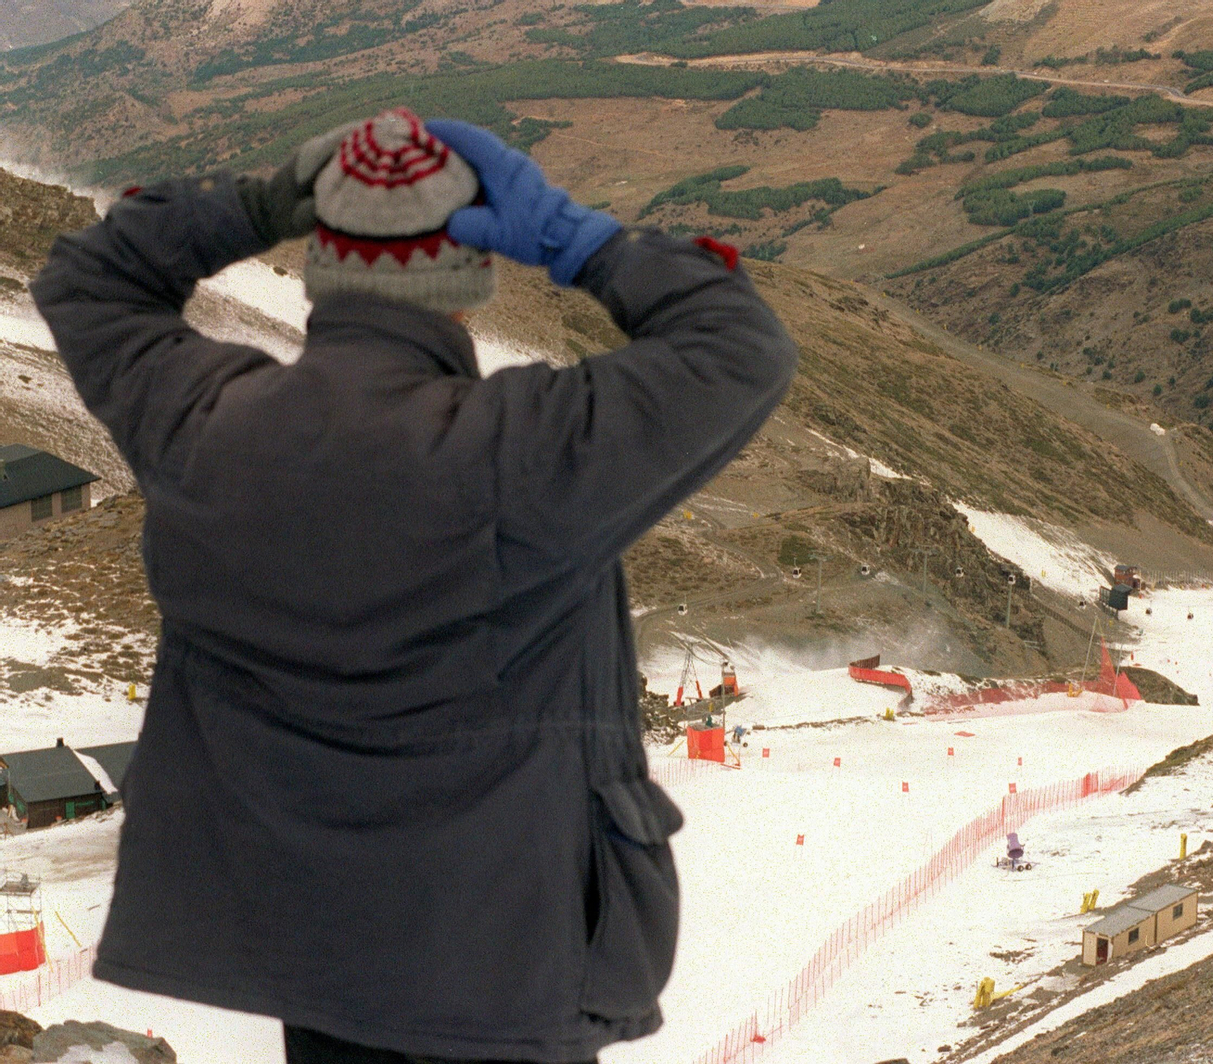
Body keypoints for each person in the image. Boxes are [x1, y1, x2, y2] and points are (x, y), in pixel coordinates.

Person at [31, 109, 798, 1064]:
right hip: (508, 955)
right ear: (469, 279)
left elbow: (86, 276)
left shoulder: (210, 429)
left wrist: (260, 201)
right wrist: (574, 235)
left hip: (312, 951)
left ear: (320, 269)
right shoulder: (523, 449)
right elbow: (737, 344)